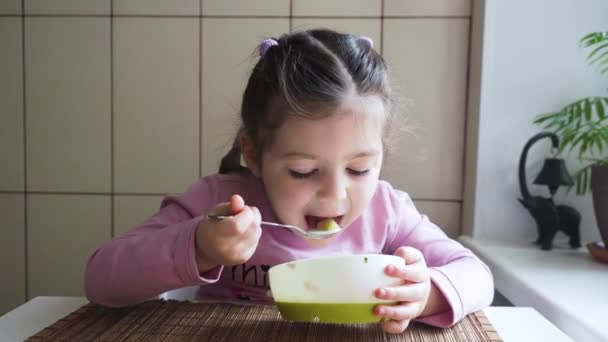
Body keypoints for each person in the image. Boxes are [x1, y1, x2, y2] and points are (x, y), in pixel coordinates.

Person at [85, 28, 493, 334]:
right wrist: (200, 246)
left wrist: (426, 294)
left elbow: (475, 274)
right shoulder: (218, 202)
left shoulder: (387, 212)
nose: (335, 194)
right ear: (253, 153)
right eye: (302, 172)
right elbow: (101, 278)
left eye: (359, 169)